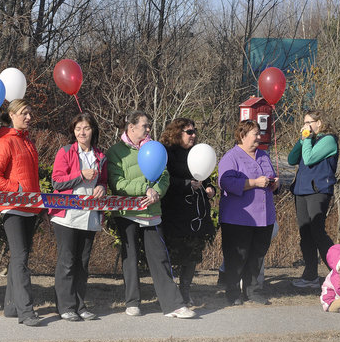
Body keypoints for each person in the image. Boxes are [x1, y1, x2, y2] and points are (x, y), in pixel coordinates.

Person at [106, 111, 196, 319]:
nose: (148, 129)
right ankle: (132, 302)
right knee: (131, 258)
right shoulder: (115, 152)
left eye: (149, 126)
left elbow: (164, 176)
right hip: (127, 212)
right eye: (145, 126)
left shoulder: (155, 148)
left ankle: (173, 305)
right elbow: (117, 183)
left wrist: (157, 192)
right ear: (131, 127)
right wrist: (144, 188)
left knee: (160, 258)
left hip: (152, 211)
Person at [0, 99, 45, 326]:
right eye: (24, 113)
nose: (29, 117)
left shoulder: (28, 141)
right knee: (20, 260)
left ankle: (11, 306)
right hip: (13, 208)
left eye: (30, 113)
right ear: (11, 115)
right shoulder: (5, 142)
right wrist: (16, 188)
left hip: (30, 208)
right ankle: (26, 311)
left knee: (19, 259)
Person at [50, 112, 107, 321]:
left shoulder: (100, 156)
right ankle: (65, 306)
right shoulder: (65, 152)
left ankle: (80, 305)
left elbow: (105, 180)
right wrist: (80, 175)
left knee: (83, 263)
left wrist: (101, 187)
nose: (82, 132)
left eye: (86, 128)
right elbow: (57, 182)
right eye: (78, 129)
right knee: (67, 261)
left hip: (90, 216)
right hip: (67, 215)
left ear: (93, 131)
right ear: (73, 132)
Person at [218, 120, 279, 306]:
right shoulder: (231, 157)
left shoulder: (263, 156)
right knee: (237, 256)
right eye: (255, 134)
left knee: (257, 256)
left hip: (263, 218)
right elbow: (226, 182)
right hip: (238, 218)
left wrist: (275, 183)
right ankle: (232, 291)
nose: (259, 137)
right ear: (243, 135)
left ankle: (253, 291)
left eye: (259, 134)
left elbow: (272, 177)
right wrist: (254, 183)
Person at [160, 118, 217, 305]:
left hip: (196, 213)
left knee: (192, 254)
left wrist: (210, 189)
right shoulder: (168, 153)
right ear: (177, 133)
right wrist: (186, 185)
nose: (193, 135)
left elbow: (205, 175)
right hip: (174, 212)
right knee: (172, 254)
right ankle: (170, 291)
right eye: (188, 132)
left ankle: (185, 289)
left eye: (194, 131)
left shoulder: (198, 152)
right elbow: (164, 179)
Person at [289, 110, 338, 289]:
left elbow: (308, 159)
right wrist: (301, 140)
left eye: (309, 122)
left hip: (318, 191)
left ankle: (339, 272)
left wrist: (307, 140)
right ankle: (310, 276)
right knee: (305, 234)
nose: (306, 125)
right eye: (304, 122)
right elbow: (291, 159)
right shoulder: (309, 139)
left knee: (317, 232)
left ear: (320, 122)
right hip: (301, 190)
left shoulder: (328, 140)